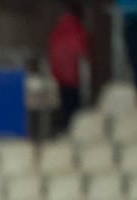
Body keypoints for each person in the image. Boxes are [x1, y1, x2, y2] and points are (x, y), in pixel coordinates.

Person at [49, 1, 92, 132]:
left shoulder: (58, 30)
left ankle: (65, 129)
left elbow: (53, 53)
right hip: (74, 77)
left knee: (65, 108)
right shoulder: (79, 30)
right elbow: (82, 55)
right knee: (75, 112)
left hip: (59, 76)